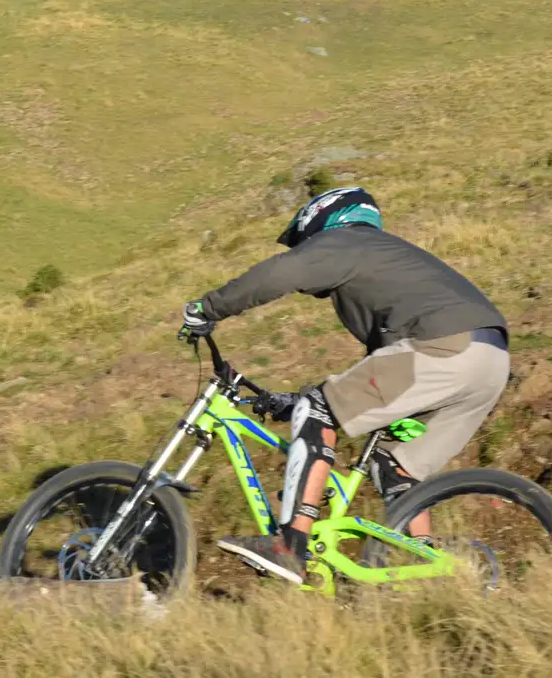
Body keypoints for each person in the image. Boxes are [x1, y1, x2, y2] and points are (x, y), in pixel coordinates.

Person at [179, 187, 510, 584]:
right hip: (489, 361)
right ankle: (432, 571)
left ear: (322, 221)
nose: (307, 249)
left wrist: (207, 308)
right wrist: (294, 401)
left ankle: (290, 546)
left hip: (445, 347)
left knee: (317, 410)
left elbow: (279, 272)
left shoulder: (348, 240)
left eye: (307, 241)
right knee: (394, 466)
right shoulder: (391, 262)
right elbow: (383, 370)